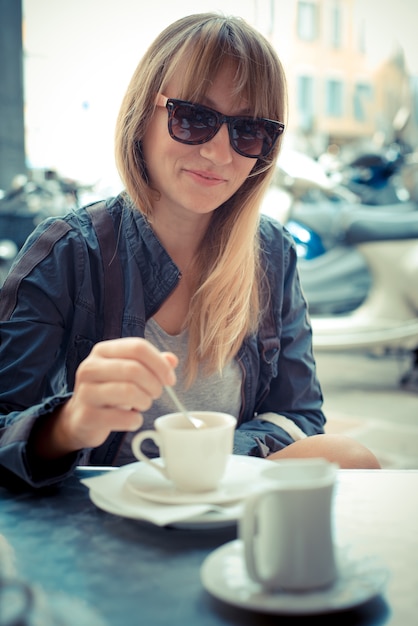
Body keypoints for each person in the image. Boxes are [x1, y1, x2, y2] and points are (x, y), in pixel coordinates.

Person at [0, 13, 380, 489]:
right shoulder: (67, 251)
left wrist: (208, 463)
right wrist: (68, 423)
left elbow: (298, 413)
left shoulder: (272, 253)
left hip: (220, 503)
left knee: (352, 458)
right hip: (97, 521)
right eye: (194, 118)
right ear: (143, 118)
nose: (221, 154)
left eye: (249, 130)